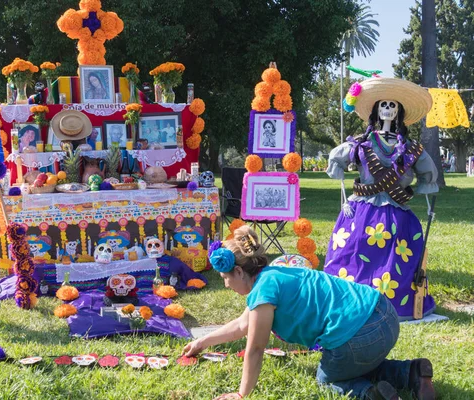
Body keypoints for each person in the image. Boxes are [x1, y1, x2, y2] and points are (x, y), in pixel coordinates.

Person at [183, 226, 435, 400]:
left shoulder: (263, 291)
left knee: (328, 379)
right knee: (352, 364)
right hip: (385, 315)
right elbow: (242, 324)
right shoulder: (277, 273)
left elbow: (255, 348)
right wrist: (202, 342)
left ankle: (371, 394)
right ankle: (413, 372)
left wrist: (242, 394)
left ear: (239, 272)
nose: (226, 284)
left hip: (359, 337)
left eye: (225, 278)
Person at [325, 78, 438, 321]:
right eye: (384, 105)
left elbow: (427, 172)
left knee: (397, 257)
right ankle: (349, 301)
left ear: (399, 112)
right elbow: (337, 158)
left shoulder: (410, 148)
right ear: (377, 110)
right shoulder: (361, 143)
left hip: (397, 212)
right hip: (362, 210)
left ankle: (394, 306)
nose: (388, 109)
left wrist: (427, 194)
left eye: (393, 105)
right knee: (353, 252)